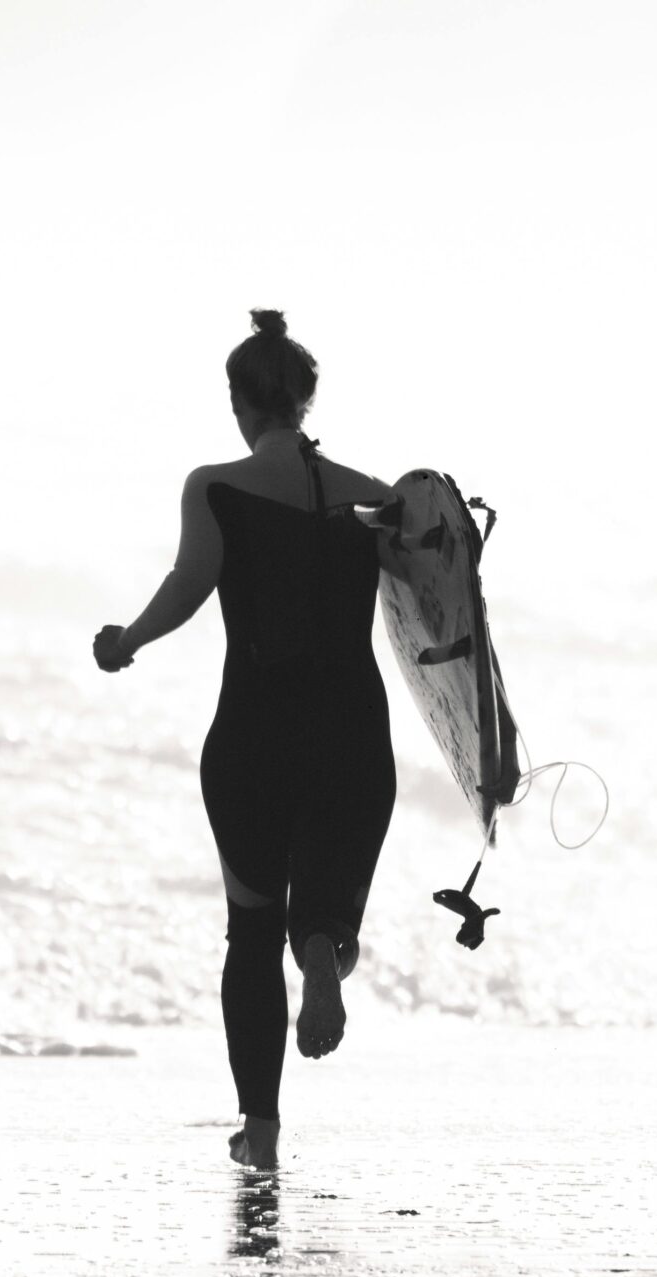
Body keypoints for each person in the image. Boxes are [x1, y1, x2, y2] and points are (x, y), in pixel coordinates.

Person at [93, 309, 399, 1169]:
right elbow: (437, 612)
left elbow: (190, 585)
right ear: (306, 400)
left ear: (240, 402)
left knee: (249, 928)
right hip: (352, 735)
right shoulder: (374, 499)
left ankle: (259, 1134)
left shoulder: (215, 487)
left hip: (254, 737)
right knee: (325, 904)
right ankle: (324, 953)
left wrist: (127, 641)